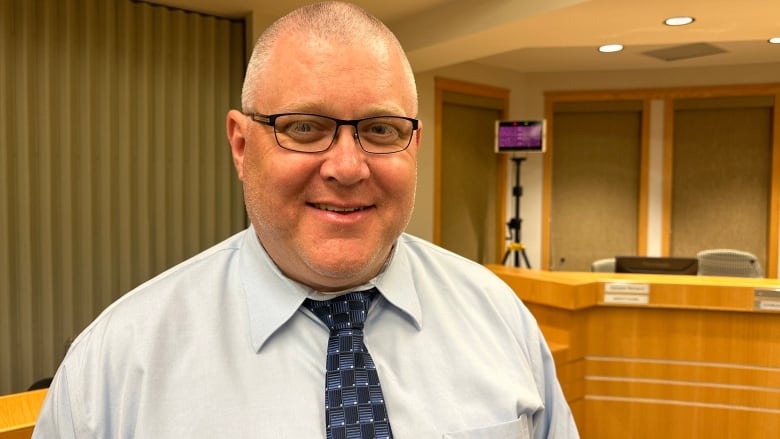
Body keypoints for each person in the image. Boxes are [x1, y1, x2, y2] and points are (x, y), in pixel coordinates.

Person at [33, 2, 579, 438]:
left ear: (415, 145)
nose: (346, 167)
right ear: (242, 145)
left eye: (382, 130)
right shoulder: (116, 366)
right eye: (304, 128)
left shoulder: (500, 321)